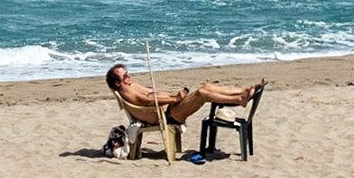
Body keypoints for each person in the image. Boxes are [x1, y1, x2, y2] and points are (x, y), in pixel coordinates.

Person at [105, 63, 264, 127]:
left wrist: (174, 96)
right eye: (125, 76)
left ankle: (243, 91)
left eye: (127, 74)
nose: (129, 77)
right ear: (118, 83)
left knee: (206, 87)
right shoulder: (126, 91)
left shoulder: (130, 85)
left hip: (170, 107)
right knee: (202, 93)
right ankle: (240, 99)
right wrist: (175, 98)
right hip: (168, 116)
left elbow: (152, 93)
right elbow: (146, 100)